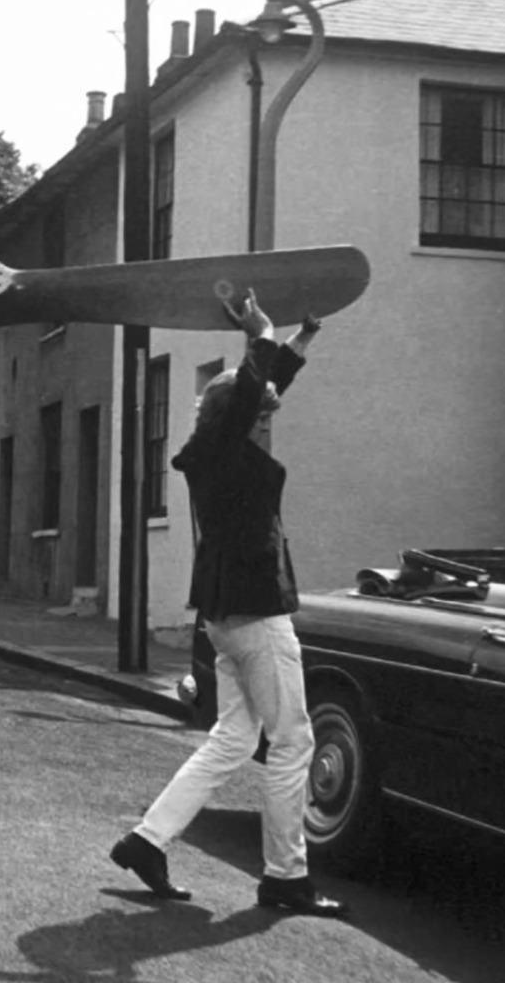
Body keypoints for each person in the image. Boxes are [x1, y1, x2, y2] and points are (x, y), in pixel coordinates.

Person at [108, 290, 347, 918]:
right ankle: (285, 879)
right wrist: (261, 331)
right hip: (256, 612)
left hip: (224, 615)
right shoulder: (221, 446)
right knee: (293, 740)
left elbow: (256, 394)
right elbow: (248, 393)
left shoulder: (214, 450)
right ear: (233, 414)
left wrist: (297, 345)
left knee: (234, 739)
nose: (267, 415)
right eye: (259, 409)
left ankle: (146, 841)